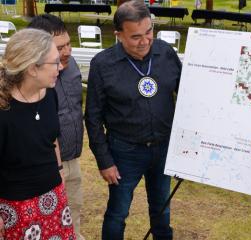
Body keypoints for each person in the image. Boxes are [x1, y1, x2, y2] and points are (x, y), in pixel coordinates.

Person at [85, 0, 182, 239]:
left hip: (162, 148)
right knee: (118, 212)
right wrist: (104, 160)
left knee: (161, 208)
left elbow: (187, 95)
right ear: (119, 35)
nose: (145, 41)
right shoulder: (102, 64)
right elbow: (93, 117)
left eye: (149, 32)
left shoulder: (166, 53)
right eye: (135, 36)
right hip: (124, 152)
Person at [0, 29, 75, 239]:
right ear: (33, 68)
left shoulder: (49, 93)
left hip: (53, 197)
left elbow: (51, 139)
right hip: (18, 207)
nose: (60, 67)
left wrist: (59, 172)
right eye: (54, 62)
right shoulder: (3, 111)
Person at [28, 14, 85, 240]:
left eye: (69, 44)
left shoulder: (71, 70)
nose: (68, 51)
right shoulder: (30, 81)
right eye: (60, 47)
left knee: (74, 213)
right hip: (43, 168)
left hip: (72, 160)